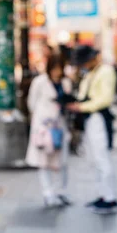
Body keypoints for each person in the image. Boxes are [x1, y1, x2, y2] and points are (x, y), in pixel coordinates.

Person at [67, 45, 117, 215]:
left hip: (98, 117)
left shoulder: (105, 71)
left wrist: (81, 107)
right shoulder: (91, 72)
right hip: (90, 118)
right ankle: (102, 194)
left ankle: (110, 197)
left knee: (102, 158)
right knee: (94, 159)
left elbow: (104, 99)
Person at [25, 55, 73, 208]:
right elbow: (32, 102)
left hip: (60, 126)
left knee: (62, 160)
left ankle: (61, 191)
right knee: (43, 161)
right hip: (43, 128)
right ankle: (48, 193)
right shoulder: (39, 82)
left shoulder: (66, 83)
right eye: (55, 68)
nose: (57, 72)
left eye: (60, 68)